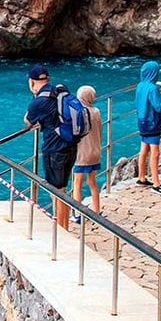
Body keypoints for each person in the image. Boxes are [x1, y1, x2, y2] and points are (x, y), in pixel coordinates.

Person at [24, 64, 77, 227]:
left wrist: (33, 103)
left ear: (31, 82)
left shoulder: (38, 102)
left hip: (54, 150)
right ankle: (64, 225)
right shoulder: (60, 91)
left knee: (56, 191)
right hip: (71, 146)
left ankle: (61, 228)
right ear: (48, 79)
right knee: (63, 188)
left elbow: (28, 122)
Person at [135, 60, 161, 195]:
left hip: (142, 122)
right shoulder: (152, 88)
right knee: (155, 153)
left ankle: (141, 177)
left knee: (144, 149)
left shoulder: (140, 86)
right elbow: (158, 106)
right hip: (152, 123)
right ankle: (156, 183)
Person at [72, 85, 102, 214]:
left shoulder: (79, 113)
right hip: (95, 152)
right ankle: (97, 210)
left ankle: (77, 213)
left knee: (77, 183)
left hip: (82, 153)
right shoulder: (96, 111)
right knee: (92, 182)